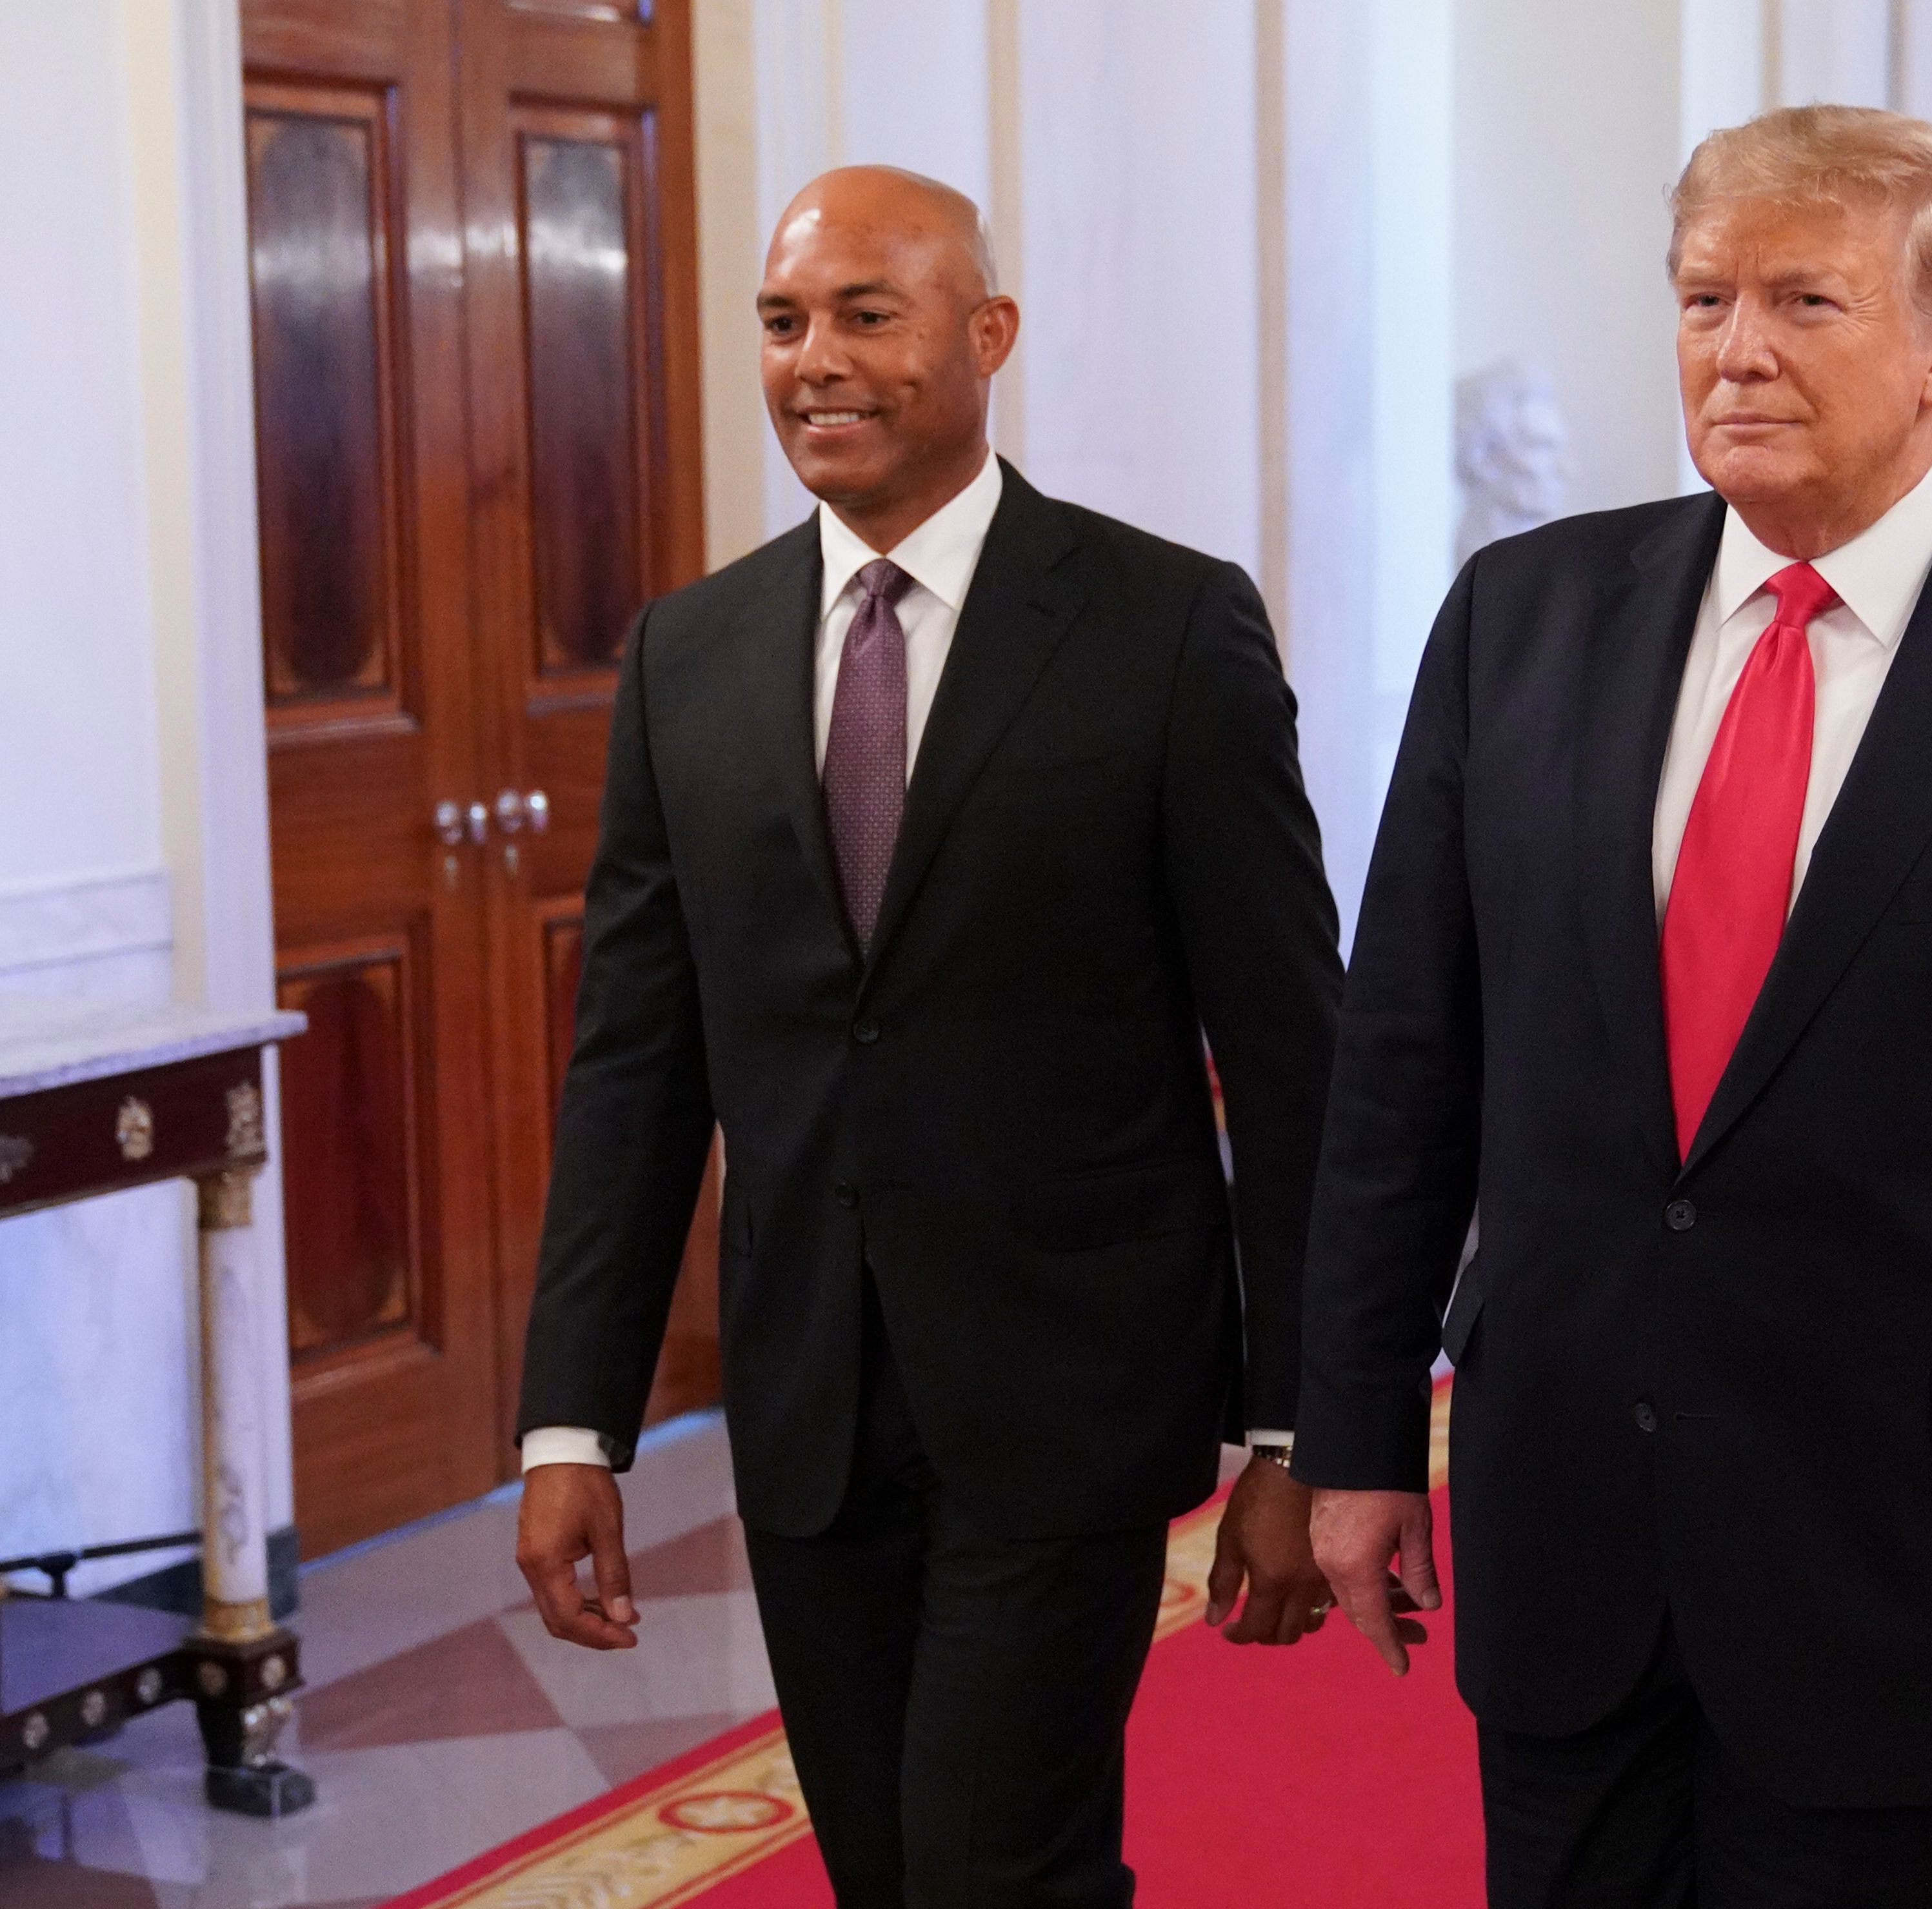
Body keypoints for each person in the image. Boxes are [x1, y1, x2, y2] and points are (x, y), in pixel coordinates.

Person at [1297, 105, 1932, 1908]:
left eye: (1800, 300)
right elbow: (1401, 1068)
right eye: (1702, 300)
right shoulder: (1516, 620)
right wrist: (1361, 1433)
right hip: (1571, 1555)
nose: (1736, 348)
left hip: (1926, 1580)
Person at [510, 166, 1343, 1909]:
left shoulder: (1168, 631)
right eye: (783, 320)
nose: (816, 359)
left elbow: (1291, 1064)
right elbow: (634, 1069)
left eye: (866, 316)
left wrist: (1295, 1432)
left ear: (986, 337)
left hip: (1069, 1393)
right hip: (810, 1404)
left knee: (992, 1869)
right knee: (889, 1869)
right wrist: (572, 1427)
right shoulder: (690, 654)